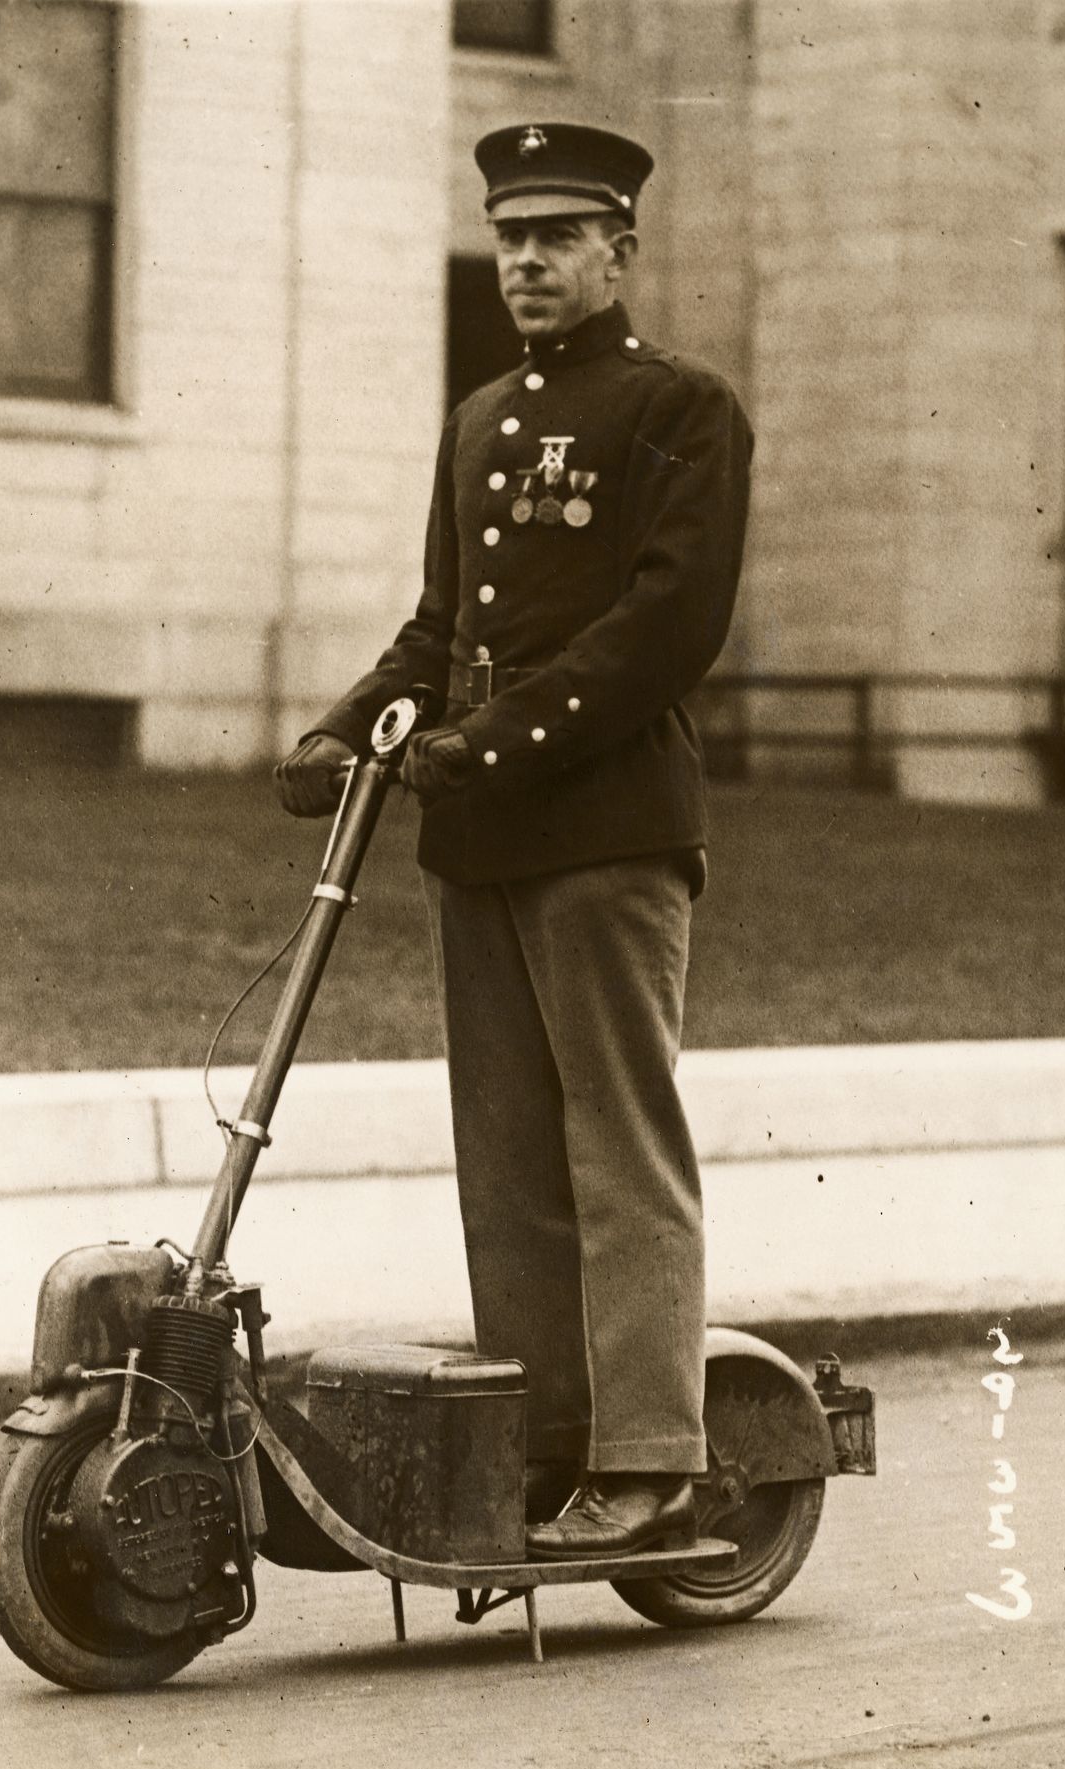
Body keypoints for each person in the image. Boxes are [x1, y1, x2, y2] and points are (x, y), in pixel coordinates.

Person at [275, 121, 752, 1560]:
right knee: (507, 1157)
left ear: (620, 250)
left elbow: (663, 631)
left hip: (604, 826)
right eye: (509, 238)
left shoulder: (682, 408)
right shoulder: (480, 417)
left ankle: (650, 1458)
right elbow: (442, 627)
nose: (528, 262)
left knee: (618, 1148)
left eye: (558, 237)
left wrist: (486, 743)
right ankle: (546, 1447)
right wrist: (342, 727)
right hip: (477, 840)